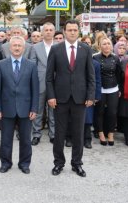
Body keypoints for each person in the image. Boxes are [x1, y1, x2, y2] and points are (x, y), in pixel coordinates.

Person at [46, 20, 95, 178]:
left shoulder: (86, 49)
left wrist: (90, 96)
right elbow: (49, 77)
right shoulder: (55, 49)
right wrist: (51, 96)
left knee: (78, 133)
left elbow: (91, 76)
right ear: (64, 31)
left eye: (75, 30)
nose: (72, 32)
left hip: (80, 99)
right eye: (69, 30)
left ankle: (77, 163)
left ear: (79, 31)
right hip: (60, 98)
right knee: (59, 134)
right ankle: (58, 163)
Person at [0, 36, 38, 174]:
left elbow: (35, 89)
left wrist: (34, 108)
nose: (17, 48)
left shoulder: (31, 65)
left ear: (24, 48)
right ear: (10, 48)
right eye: (14, 46)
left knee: (25, 139)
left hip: (26, 108)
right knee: (6, 138)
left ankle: (24, 163)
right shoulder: (1, 64)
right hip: (6, 108)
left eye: (20, 46)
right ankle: (5, 163)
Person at [93, 37, 122, 146]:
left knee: (112, 112)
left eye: (108, 44)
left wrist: (119, 88)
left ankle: (110, 133)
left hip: (113, 88)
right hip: (100, 89)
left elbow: (119, 74)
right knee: (99, 112)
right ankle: (100, 133)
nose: (106, 46)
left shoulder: (115, 58)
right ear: (100, 46)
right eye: (104, 44)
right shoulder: (94, 57)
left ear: (111, 46)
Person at [32, 22, 56, 145]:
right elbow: (33, 67)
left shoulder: (59, 46)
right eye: (46, 30)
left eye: (50, 30)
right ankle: (36, 134)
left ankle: (53, 134)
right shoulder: (35, 47)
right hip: (39, 82)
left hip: (56, 83)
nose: (48, 32)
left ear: (54, 31)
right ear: (42, 32)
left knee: (53, 110)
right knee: (38, 110)